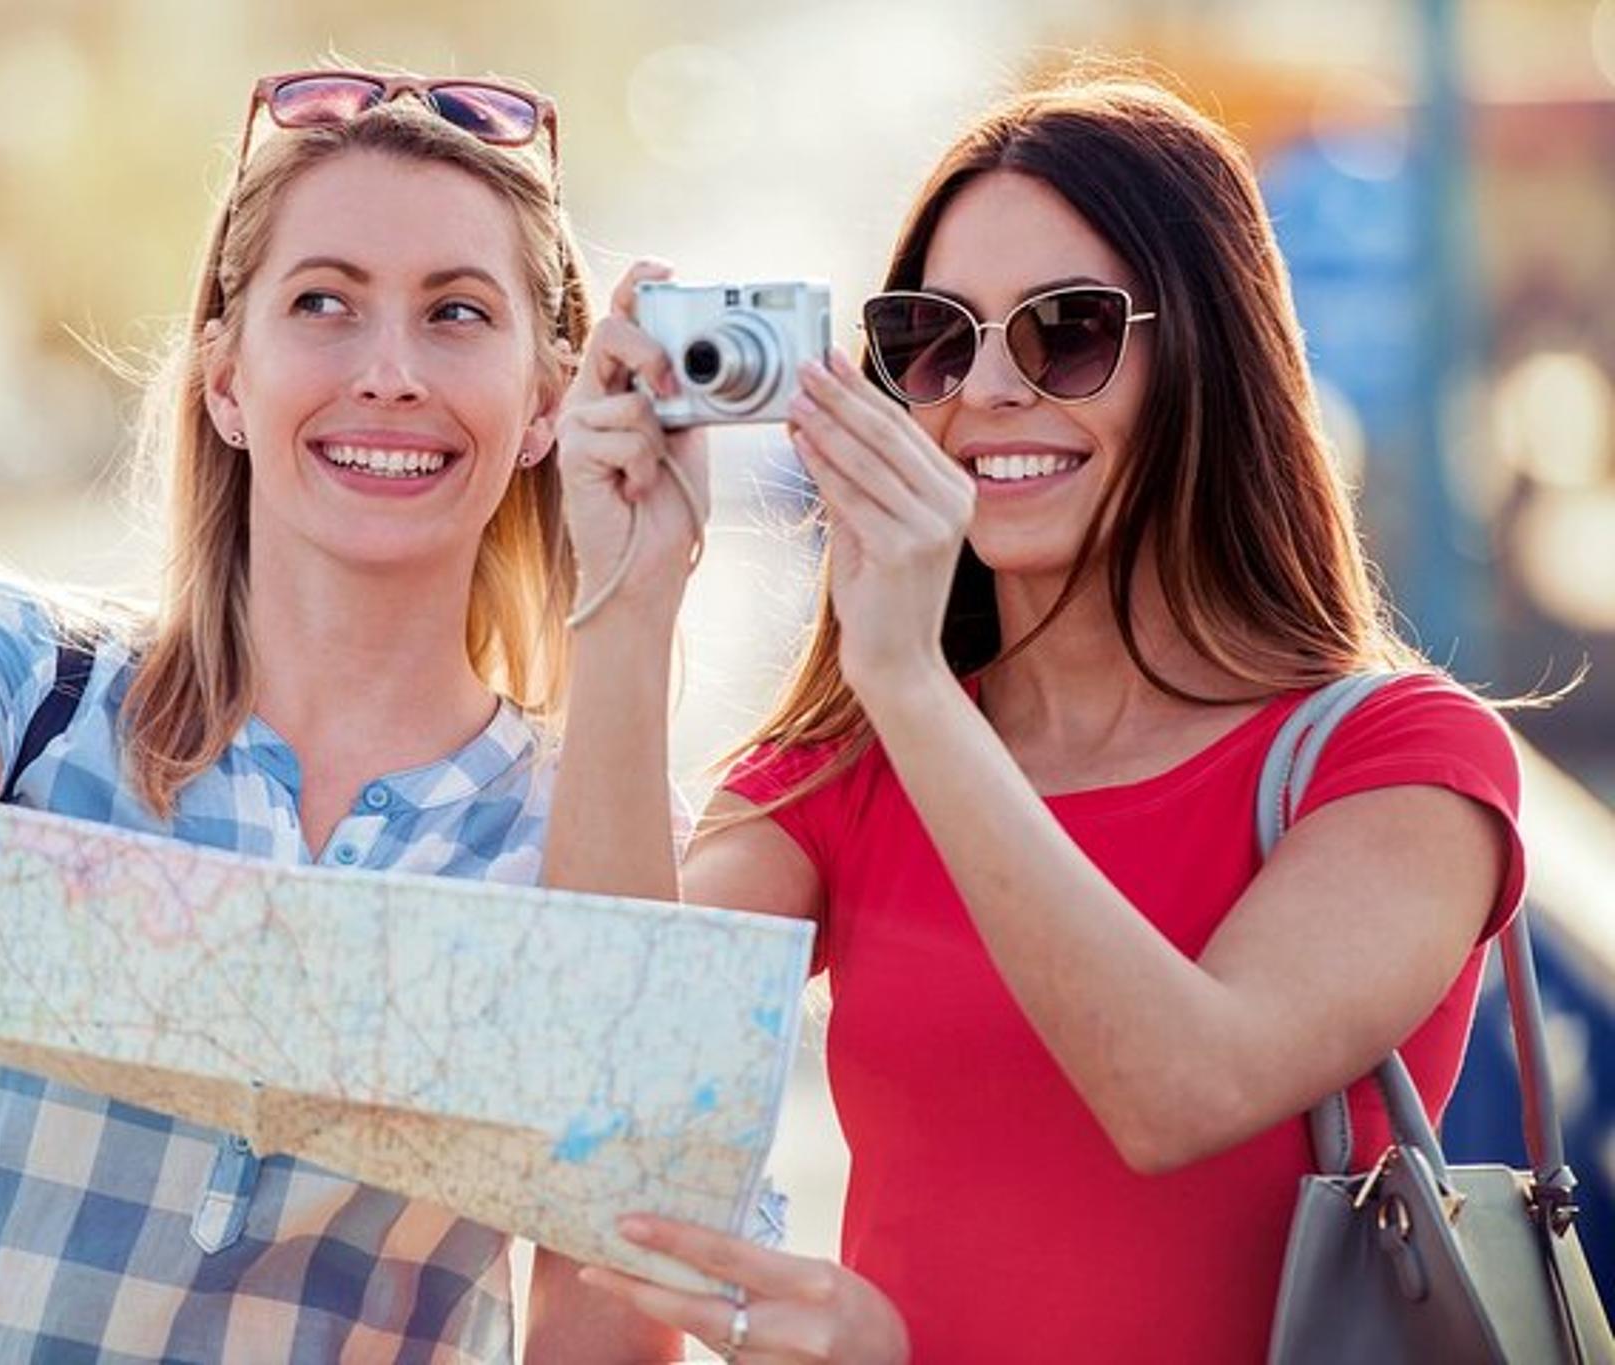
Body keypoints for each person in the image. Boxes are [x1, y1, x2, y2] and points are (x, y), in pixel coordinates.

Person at [0, 68, 683, 1363]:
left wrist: (630, 602)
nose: (389, 373)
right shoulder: (27, 676)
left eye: (456, 313)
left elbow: (612, 1305)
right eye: (322, 301)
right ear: (226, 377)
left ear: (546, 401)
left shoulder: (594, 828)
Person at [545, 74, 1523, 1363]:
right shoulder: (846, 772)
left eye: (1067, 332)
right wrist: (624, 599)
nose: (992, 389)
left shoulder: (1399, 758)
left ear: (1210, 360)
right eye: (937, 341)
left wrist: (907, 679)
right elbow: (613, 1062)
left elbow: (1183, 1087)